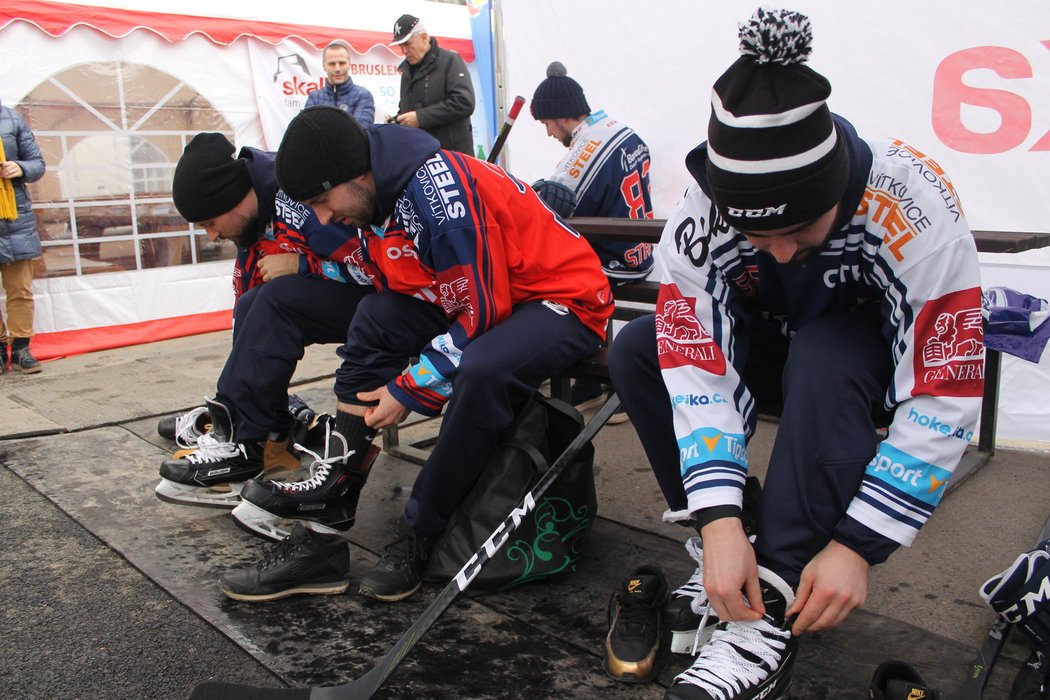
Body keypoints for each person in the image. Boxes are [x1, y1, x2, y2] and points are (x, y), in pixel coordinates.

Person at [607, 8, 984, 699]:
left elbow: (945, 388)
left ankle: (768, 610)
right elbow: (696, 369)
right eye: (761, 240)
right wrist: (718, 521)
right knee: (636, 349)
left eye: (801, 230)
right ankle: (738, 548)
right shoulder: (701, 214)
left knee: (827, 344)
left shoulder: (915, 206)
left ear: (838, 185)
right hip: (772, 351)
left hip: (854, 367)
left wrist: (855, 548)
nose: (781, 254)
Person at [224, 106, 612, 603]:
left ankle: (422, 531)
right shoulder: (374, 196)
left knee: (482, 369)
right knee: (375, 317)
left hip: (563, 298)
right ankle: (329, 513)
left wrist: (408, 389)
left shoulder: (437, 190)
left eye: (322, 200)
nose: (322, 218)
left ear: (356, 172)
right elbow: (382, 279)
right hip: (491, 298)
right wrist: (304, 268)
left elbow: (482, 312)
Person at [154, 132, 374, 509]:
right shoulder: (252, 213)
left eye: (210, 221)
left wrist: (305, 265)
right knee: (253, 305)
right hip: (347, 296)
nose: (212, 234)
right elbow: (247, 304)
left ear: (234, 197)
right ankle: (249, 433)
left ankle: (245, 443)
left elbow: (381, 270)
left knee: (276, 300)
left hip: (392, 303)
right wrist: (239, 398)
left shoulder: (297, 197)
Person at [530, 60, 656, 421]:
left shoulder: (586, 149)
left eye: (545, 124)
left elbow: (549, 206)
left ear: (559, 115)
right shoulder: (620, 129)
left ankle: (598, 381)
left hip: (616, 263)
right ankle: (592, 380)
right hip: (640, 251)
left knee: (541, 281)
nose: (548, 134)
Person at [0, 97, 46, 374]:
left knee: (20, 288)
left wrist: (20, 167)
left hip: (15, 216)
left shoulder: (12, 119)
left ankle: (20, 349)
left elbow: (37, 164)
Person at [388, 13, 475, 154]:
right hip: (422, 156)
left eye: (407, 44)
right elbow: (407, 109)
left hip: (452, 158)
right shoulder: (406, 71)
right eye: (400, 46)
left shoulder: (450, 61)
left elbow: (464, 102)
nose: (404, 51)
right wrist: (397, 120)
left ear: (423, 37)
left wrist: (420, 117)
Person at [303, 41, 376, 125]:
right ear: (324, 67)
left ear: (349, 65)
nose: (337, 69)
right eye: (332, 64)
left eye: (342, 63)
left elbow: (359, 131)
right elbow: (307, 130)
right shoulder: (315, 97)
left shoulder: (363, 96)